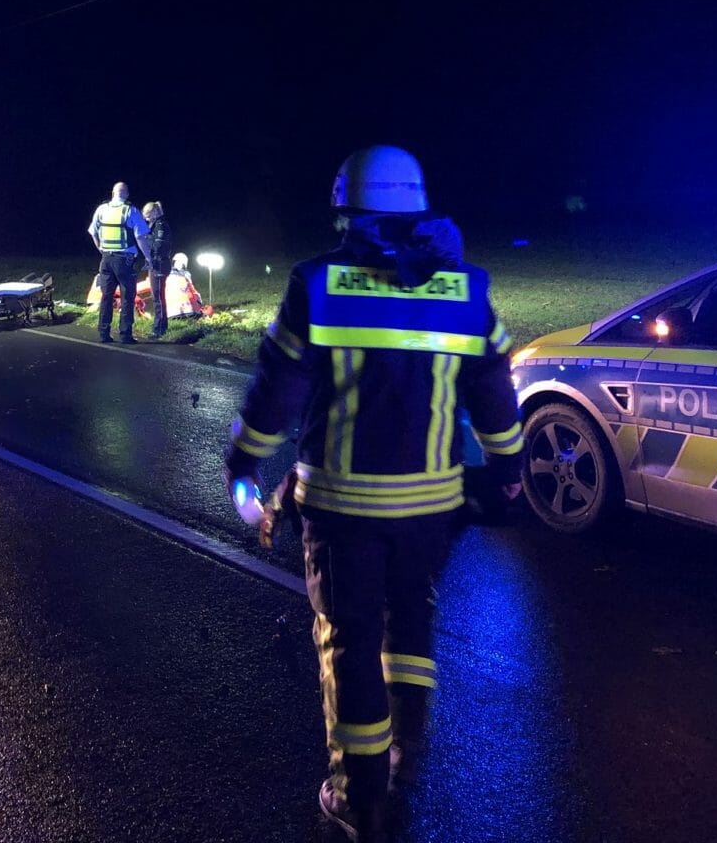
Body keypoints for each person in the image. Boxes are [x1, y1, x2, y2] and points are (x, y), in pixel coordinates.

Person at [221, 145, 524, 842]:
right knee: (410, 629)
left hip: (342, 510)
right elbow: (495, 397)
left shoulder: (317, 283)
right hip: (431, 511)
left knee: (350, 643)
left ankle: (362, 799)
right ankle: (405, 760)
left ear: (348, 210)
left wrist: (242, 460)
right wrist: (510, 472)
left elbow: (276, 392)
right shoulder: (467, 288)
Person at [87, 182, 152, 344]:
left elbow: (93, 232)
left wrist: (101, 248)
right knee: (127, 298)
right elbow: (140, 237)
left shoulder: (101, 209)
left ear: (113, 193)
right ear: (127, 194)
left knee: (106, 297)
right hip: (125, 260)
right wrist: (149, 258)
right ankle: (125, 335)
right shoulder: (131, 210)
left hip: (106, 259)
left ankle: (103, 333)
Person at [142, 201, 172, 338]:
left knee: (158, 298)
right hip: (156, 264)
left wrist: (145, 245)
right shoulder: (156, 224)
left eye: (147, 215)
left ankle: (158, 329)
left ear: (154, 212)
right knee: (157, 297)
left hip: (159, 265)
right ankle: (162, 325)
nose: (146, 218)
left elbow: (157, 247)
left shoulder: (160, 226)